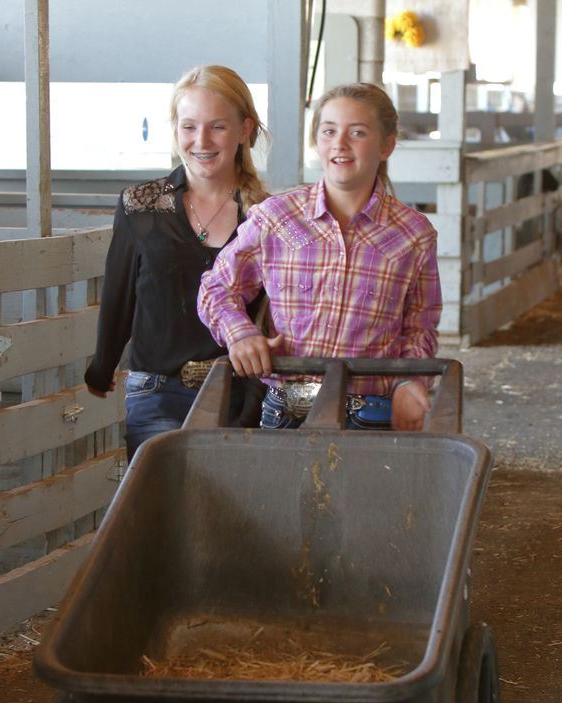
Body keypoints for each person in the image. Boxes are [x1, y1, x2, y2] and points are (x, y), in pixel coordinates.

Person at [198, 82, 442, 432]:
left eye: (357, 132)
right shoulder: (277, 218)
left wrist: (411, 383)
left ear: (387, 144)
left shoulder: (413, 234)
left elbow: (421, 325)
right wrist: (240, 333)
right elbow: (217, 288)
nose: (340, 144)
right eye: (329, 131)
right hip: (287, 410)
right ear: (317, 141)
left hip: (369, 413)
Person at [84, 65, 269, 460]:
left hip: (241, 395)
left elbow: (278, 310)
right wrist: (102, 367)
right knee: (165, 513)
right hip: (157, 392)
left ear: (244, 130)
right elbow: (120, 294)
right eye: (188, 127)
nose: (200, 141)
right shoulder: (140, 204)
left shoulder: (267, 214)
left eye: (217, 127)